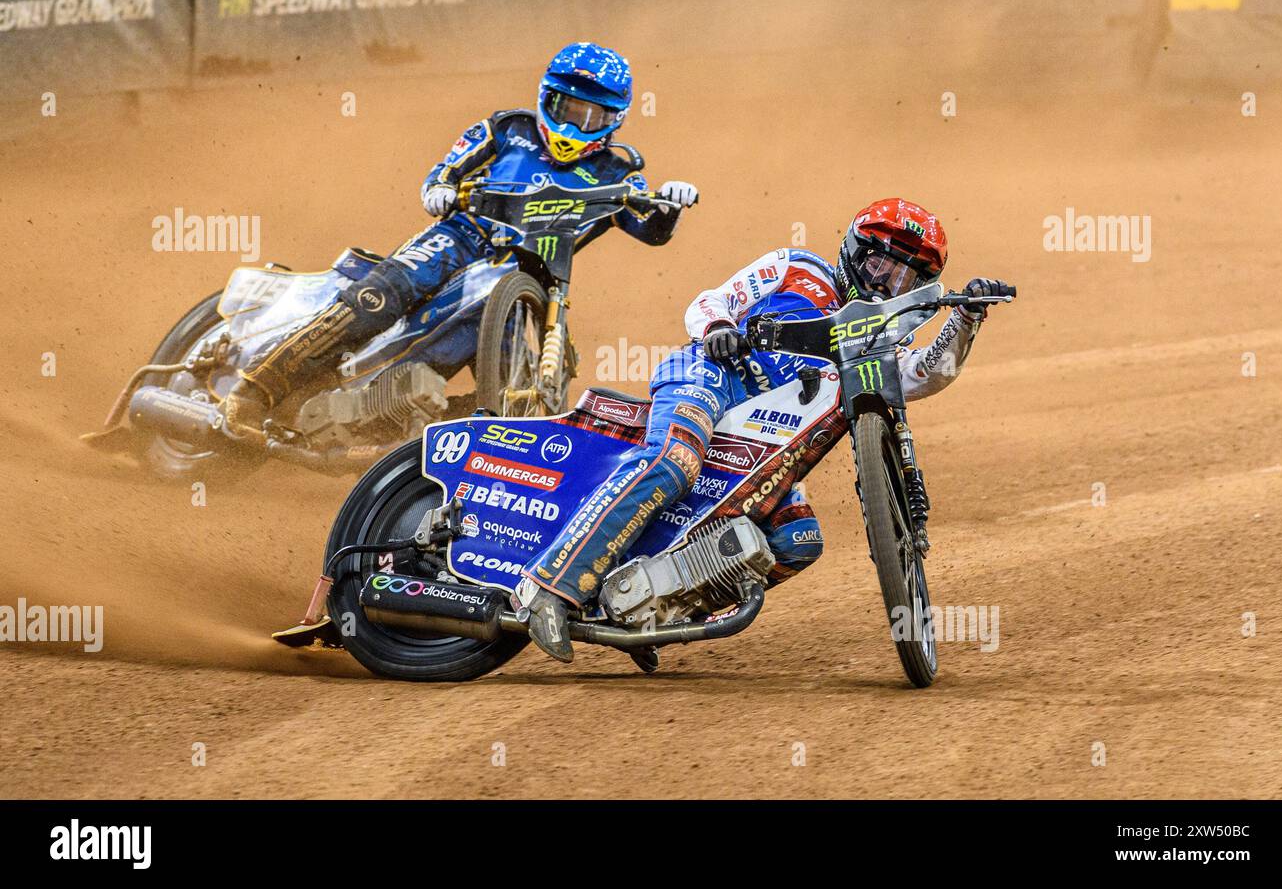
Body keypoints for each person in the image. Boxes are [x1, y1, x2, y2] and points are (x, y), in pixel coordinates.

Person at [514, 198, 1013, 662]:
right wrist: (717, 331)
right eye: (882, 263)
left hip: (768, 447)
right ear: (855, 252)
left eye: (907, 277)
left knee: (799, 540)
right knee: (674, 462)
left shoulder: (879, 347)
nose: (888, 283)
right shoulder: (798, 266)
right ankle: (549, 588)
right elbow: (712, 302)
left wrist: (967, 317)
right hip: (711, 377)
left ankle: (654, 613)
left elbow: (928, 373)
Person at [224, 41, 699, 439]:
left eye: (590, 117)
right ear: (546, 98)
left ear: (614, 120)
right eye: (565, 108)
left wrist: (670, 204)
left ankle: (416, 430)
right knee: (380, 297)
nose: (573, 125)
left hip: (528, 277)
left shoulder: (618, 172)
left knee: (513, 374)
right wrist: (439, 189)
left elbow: (650, 227)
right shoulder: (509, 129)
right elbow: (444, 171)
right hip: (464, 235)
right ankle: (255, 389)